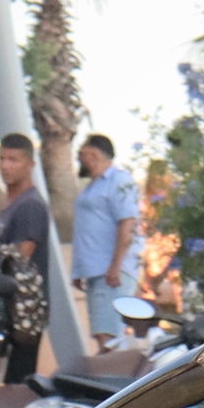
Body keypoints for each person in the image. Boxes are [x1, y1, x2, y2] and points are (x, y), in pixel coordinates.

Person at [70, 133, 143, 353]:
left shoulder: (118, 180)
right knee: (103, 336)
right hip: (96, 272)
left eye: (81, 153)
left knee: (109, 338)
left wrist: (115, 266)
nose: (79, 158)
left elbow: (127, 223)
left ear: (93, 154)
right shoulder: (92, 186)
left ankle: (118, 384)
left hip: (111, 272)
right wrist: (79, 270)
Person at [0, 133, 53, 383]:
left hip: (22, 314)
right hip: (6, 310)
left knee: (16, 387)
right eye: (3, 159)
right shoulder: (10, 204)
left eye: (14, 160)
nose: (6, 166)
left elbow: (21, 255)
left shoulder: (30, 206)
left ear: (30, 164)